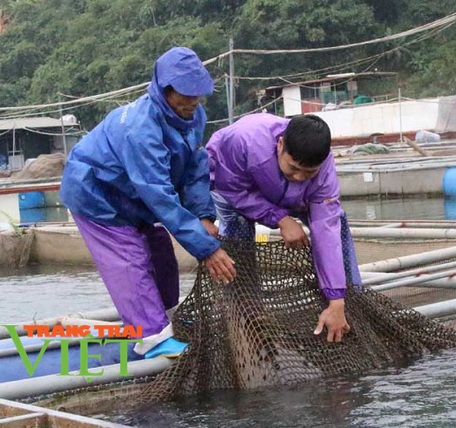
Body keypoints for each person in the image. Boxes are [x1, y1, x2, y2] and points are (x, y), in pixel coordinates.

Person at [59, 47, 236, 359]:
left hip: (133, 196)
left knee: (160, 253)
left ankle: (168, 318)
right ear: (164, 89)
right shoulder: (141, 127)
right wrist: (206, 248)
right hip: (96, 193)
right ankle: (153, 337)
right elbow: (159, 194)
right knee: (130, 258)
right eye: (185, 95)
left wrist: (204, 215)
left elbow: (195, 165)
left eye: (198, 95)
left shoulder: (193, 116)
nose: (192, 102)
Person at [206, 113, 362, 343]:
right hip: (235, 188)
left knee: (337, 221)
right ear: (280, 145)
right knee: (238, 230)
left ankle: (349, 302)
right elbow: (233, 191)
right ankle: (246, 312)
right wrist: (281, 219)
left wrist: (336, 297)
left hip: (293, 198)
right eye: (294, 168)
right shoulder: (243, 141)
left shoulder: (324, 171)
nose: (300, 177)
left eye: (309, 172)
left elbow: (326, 230)